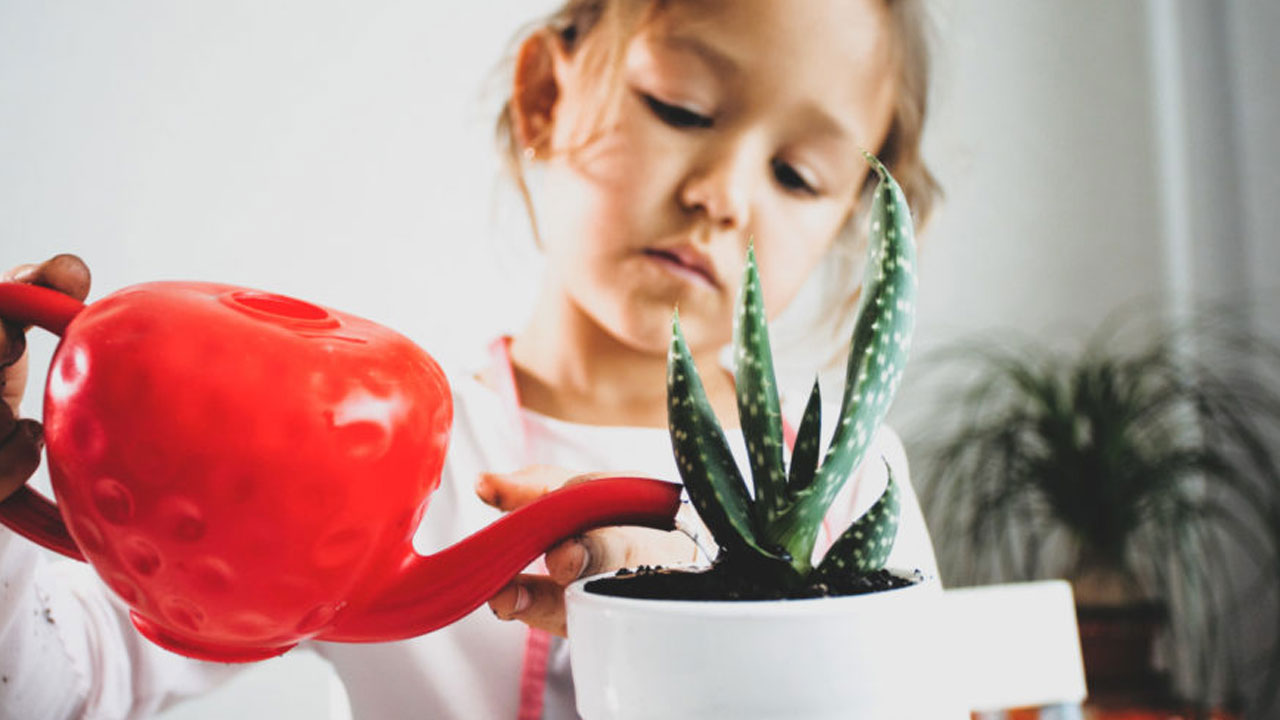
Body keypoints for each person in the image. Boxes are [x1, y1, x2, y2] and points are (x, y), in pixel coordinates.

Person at [0, 0, 942, 717]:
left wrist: (683, 622)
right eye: (681, 107)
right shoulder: (389, 452)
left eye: (798, 175)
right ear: (543, 96)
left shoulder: (853, 484)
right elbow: (56, 681)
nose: (723, 195)